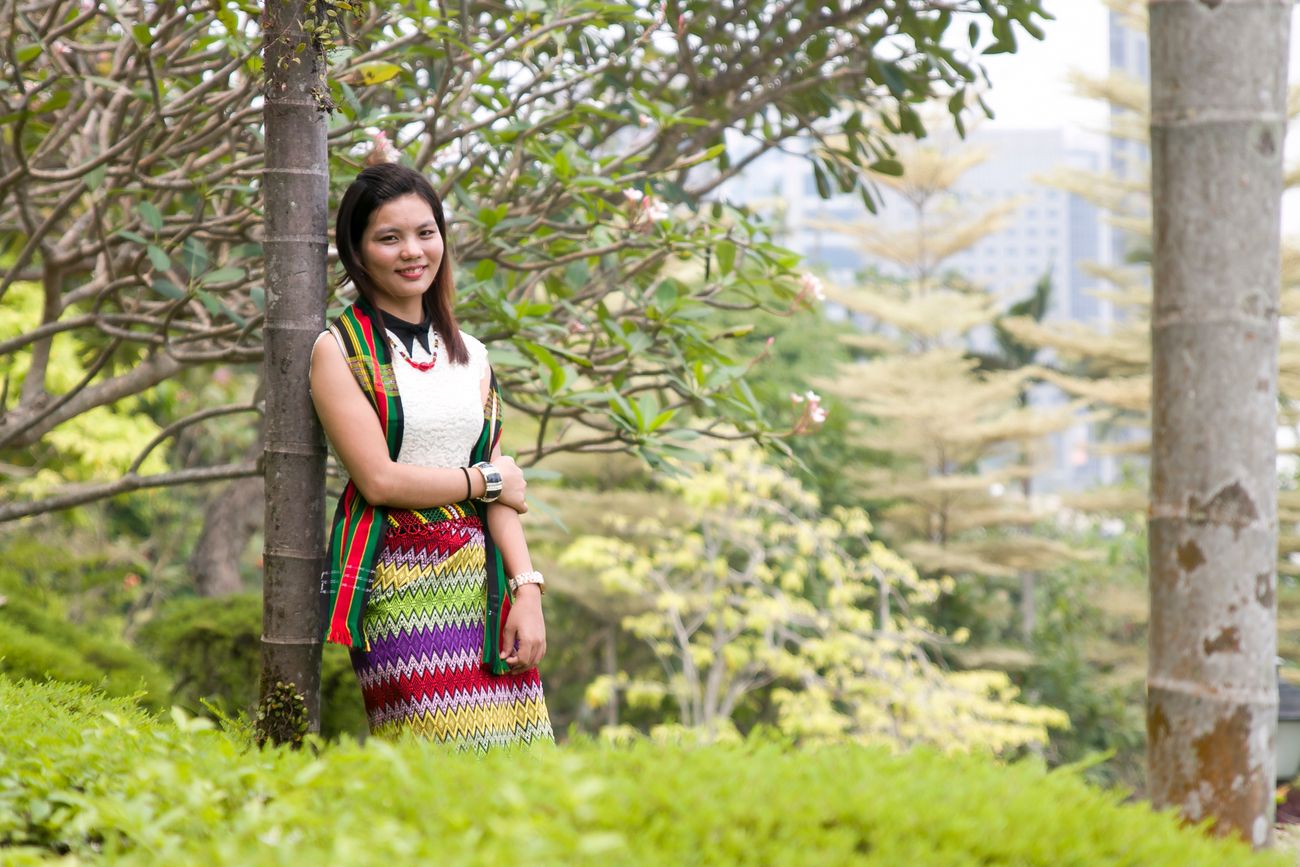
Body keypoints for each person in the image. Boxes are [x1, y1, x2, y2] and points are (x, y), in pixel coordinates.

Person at [310, 158, 553, 747]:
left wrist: (527, 590)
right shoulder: (338, 349)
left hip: (482, 583)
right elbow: (379, 481)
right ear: (358, 252)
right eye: (389, 238)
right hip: (397, 582)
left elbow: (503, 488)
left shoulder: (471, 351)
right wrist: (482, 481)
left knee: (523, 766)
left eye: (425, 232)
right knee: (438, 761)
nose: (412, 251)